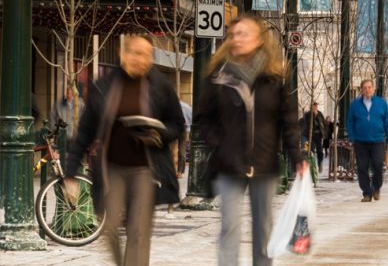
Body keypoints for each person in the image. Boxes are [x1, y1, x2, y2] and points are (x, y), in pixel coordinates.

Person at [63, 35, 185, 266]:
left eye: (147, 55)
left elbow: (177, 124)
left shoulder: (160, 85)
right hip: (111, 169)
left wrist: (158, 135)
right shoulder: (104, 85)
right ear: (124, 54)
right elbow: (85, 131)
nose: (141, 60)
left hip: (146, 169)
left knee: (139, 230)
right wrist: (70, 173)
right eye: (136, 53)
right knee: (109, 228)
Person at [194, 16, 305, 266]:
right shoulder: (218, 76)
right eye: (233, 34)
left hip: (264, 163)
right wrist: (218, 144)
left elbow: (288, 122)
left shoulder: (274, 79)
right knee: (230, 226)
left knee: (263, 229)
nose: (237, 39)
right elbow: (203, 118)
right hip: (229, 163)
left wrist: (297, 157)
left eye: (244, 33)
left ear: (259, 40)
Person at [346, 79, 388, 202]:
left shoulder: (381, 103)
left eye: (369, 87)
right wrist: (351, 136)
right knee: (362, 167)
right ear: (362, 89)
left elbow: (387, 122)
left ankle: (376, 187)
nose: (367, 90)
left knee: (378, 165)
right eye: (365, 88)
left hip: (377, 140)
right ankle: (367, 193)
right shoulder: (355, 105)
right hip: (360, 142)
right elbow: (350, 122)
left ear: (373, 89)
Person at [301, 102, 326, 167]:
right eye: (314, 106)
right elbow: (307, 123)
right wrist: (313, 115)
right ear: (311, 107)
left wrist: (324, 133)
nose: (315, 107)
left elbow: (323, 123)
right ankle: (310, 165)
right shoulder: (307, 114)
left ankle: (320, 163)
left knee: (320, 150)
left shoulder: (320, 114)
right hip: (310, 135)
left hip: (318, 135)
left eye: (316, 106)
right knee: (310, 150)